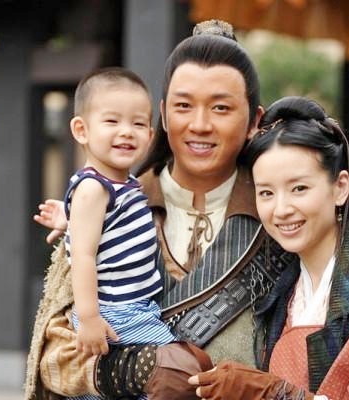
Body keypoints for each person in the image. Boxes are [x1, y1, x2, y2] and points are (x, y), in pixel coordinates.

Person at [25, 20, 349, 400]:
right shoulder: (107, 209)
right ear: (163, 116)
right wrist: (136, 370)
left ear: (253, 121)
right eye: (183, 106)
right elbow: (52, 357)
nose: (200, 125)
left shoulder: (282, 225)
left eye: (221, 108)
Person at [188, 96, 349, 399]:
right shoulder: (282, 288)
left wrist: (273, 393)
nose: (281, 209)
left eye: (299, 188)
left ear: (340, 187)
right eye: (266, 193)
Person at [28, 67, 212, 400]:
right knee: (179, 371)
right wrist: (89, 318)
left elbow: (105, 232)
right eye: (112, 121)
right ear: (82, 130)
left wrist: (68, 220)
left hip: (136, 308)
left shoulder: (124, 183)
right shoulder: (94, 188)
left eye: (138, 124)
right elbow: (83, 256)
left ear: (151, 134)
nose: (126, 132)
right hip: (115, 311)